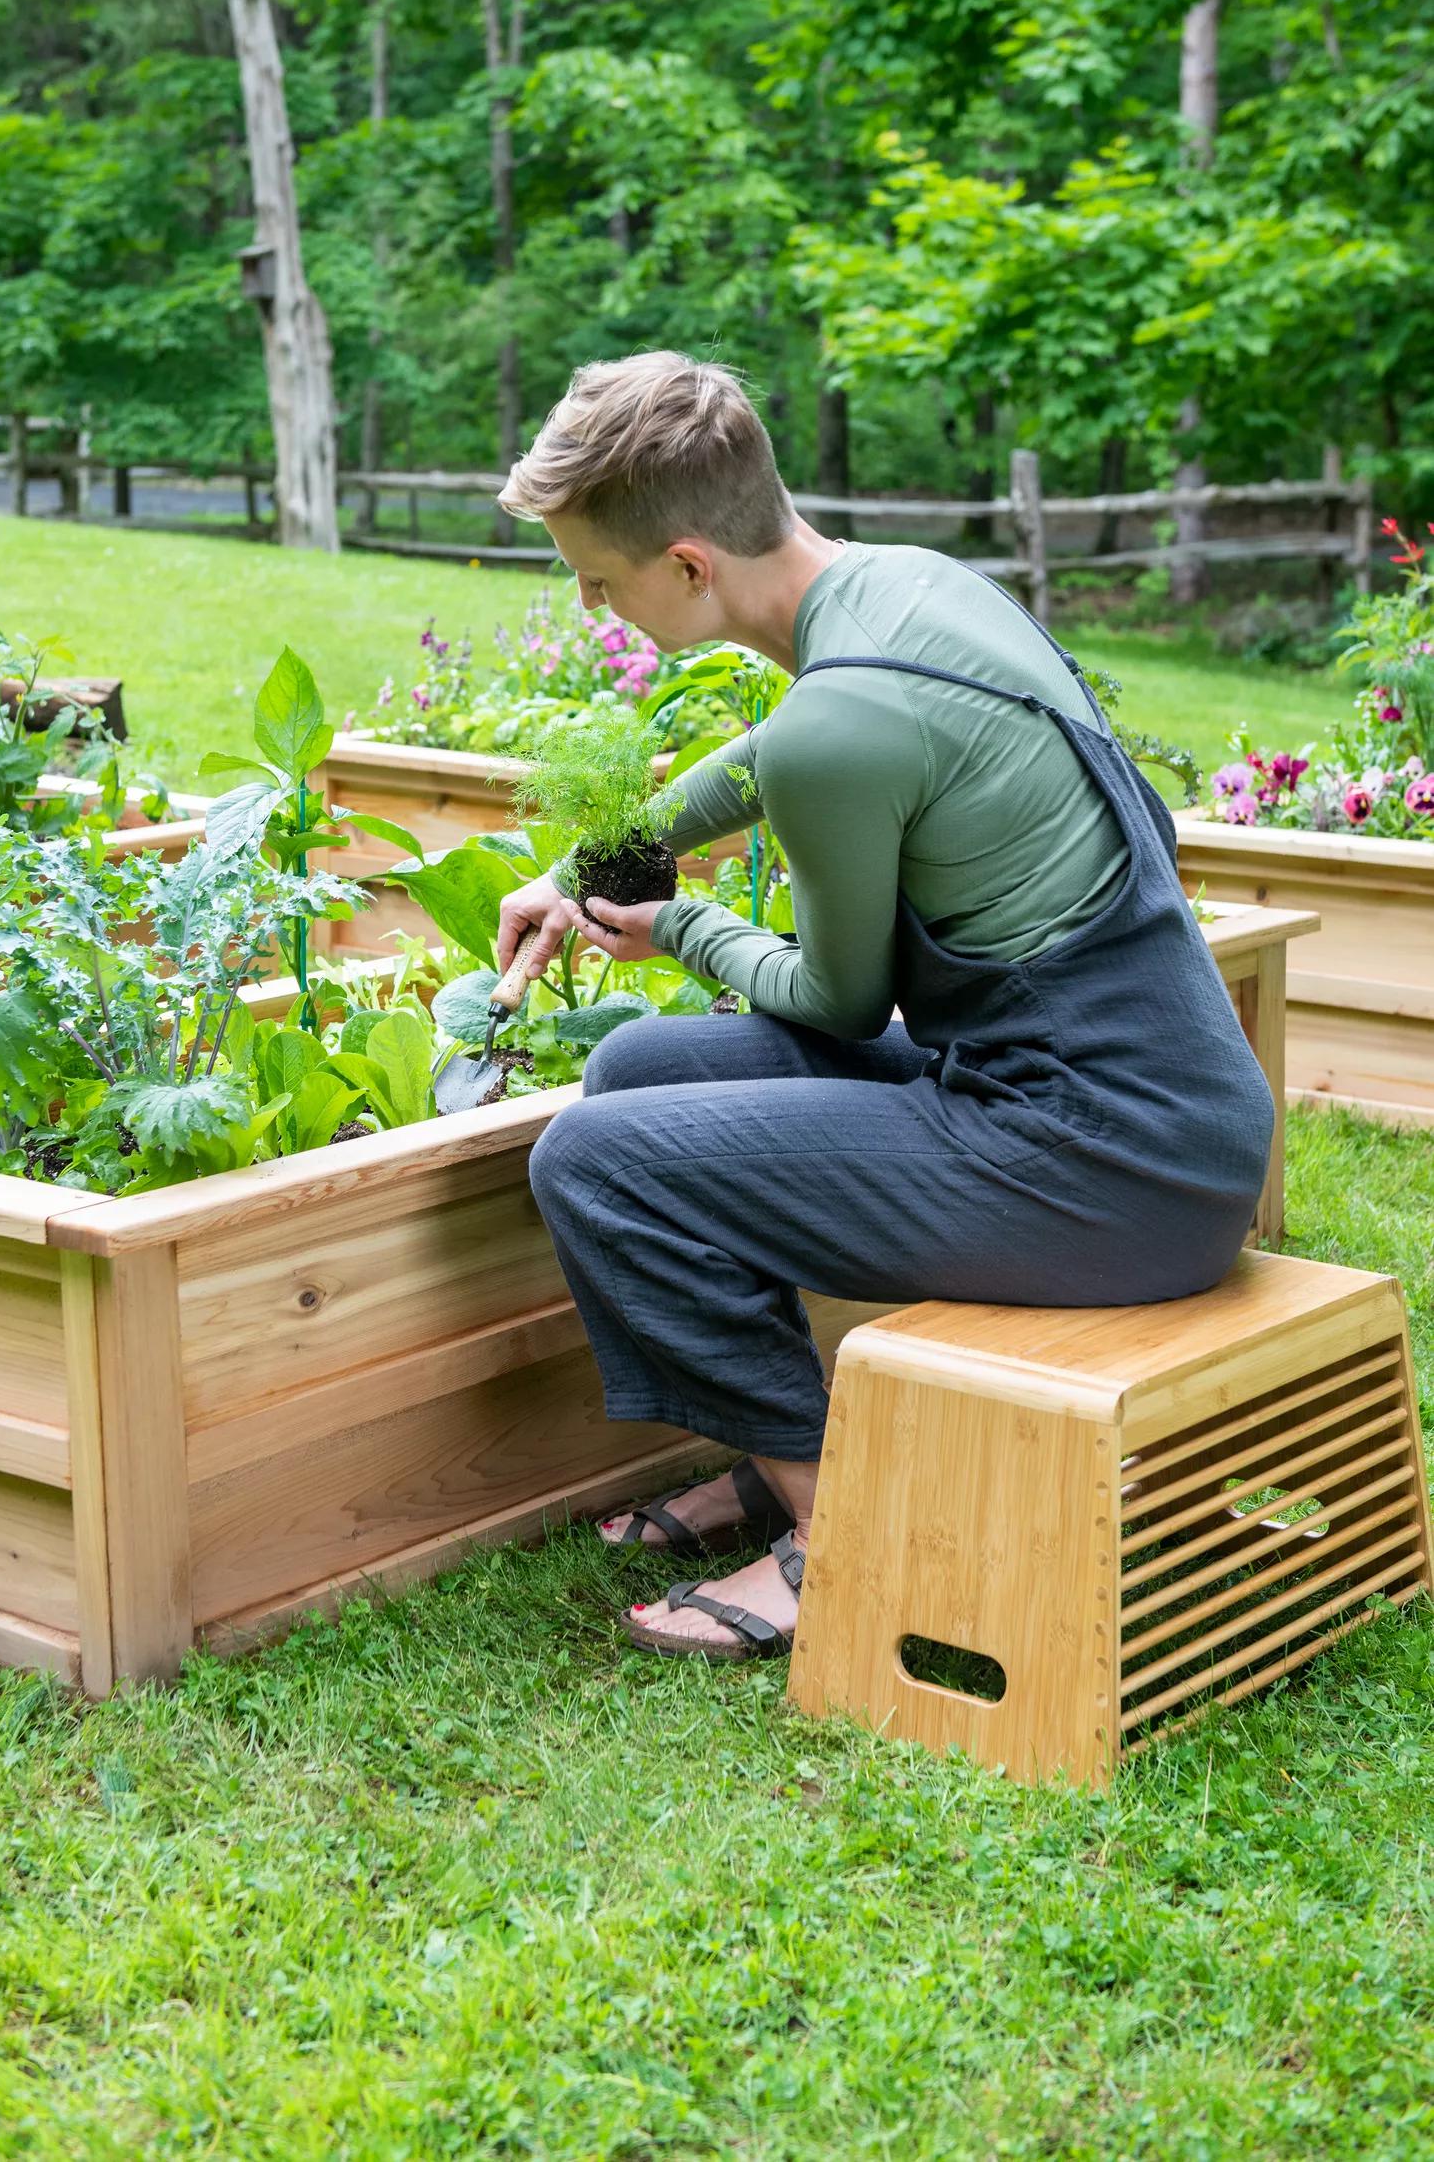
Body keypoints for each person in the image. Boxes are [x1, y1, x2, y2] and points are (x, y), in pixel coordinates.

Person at [493, 352, 1273, 1664]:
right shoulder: (904, 586)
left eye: (597, 577)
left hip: (1109, 1164)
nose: (589, 602)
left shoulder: (837, 724)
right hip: (1145, 1107)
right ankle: (776, 1446)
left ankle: (830, 1531)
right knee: (635, 1074)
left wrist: (677, 920)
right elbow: (771, 756)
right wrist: (592, 868)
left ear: (687, 567)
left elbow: (843, 1006)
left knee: (594, 1161)